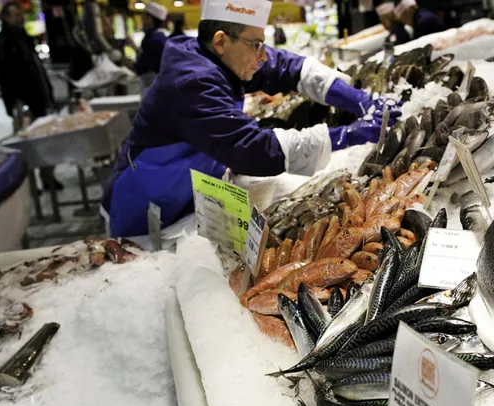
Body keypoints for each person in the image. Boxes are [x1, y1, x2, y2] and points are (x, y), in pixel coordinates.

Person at [102, 0, 400, 237]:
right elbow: (253, 149)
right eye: (256, 44)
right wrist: (349, 135)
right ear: (221, 41)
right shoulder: (190, 82)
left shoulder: (220, 56)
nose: (263, 54)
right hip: (143, 210)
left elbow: (285, 66)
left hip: (188, 194)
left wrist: (357, 98)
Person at [0, 1, 63, 190]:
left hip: (38, 99)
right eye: (16, 14)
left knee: (46, 141)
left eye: (21, 14)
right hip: (23, 103)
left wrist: (47, 94)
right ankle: (29, 185)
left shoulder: (25, 39)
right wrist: (17, 101)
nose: (20, 18)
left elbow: (37, 71)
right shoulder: (1, 43)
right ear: (6, 17)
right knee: (25, 146)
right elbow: (2, 76)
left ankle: (48, 177)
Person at [134, 1, 169, 90]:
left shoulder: (155, 41)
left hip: (154, 88)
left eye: (144, 16)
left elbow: (142, 66)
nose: (142, 19)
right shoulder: (157, 38)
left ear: (150, 19)